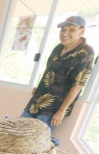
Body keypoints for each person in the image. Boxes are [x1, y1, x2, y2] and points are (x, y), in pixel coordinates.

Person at [22, 16, 95, 145]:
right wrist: (40, 87)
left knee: (34, 143)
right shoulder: (58, 48)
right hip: (37, 100)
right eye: (63, 30)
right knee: (17, 132)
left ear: (81, 31)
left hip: (53, 108)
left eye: (71, 30)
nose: (65, 34)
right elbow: (49, 71)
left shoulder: (86, 52)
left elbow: (78, 85)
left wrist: (61, 111)